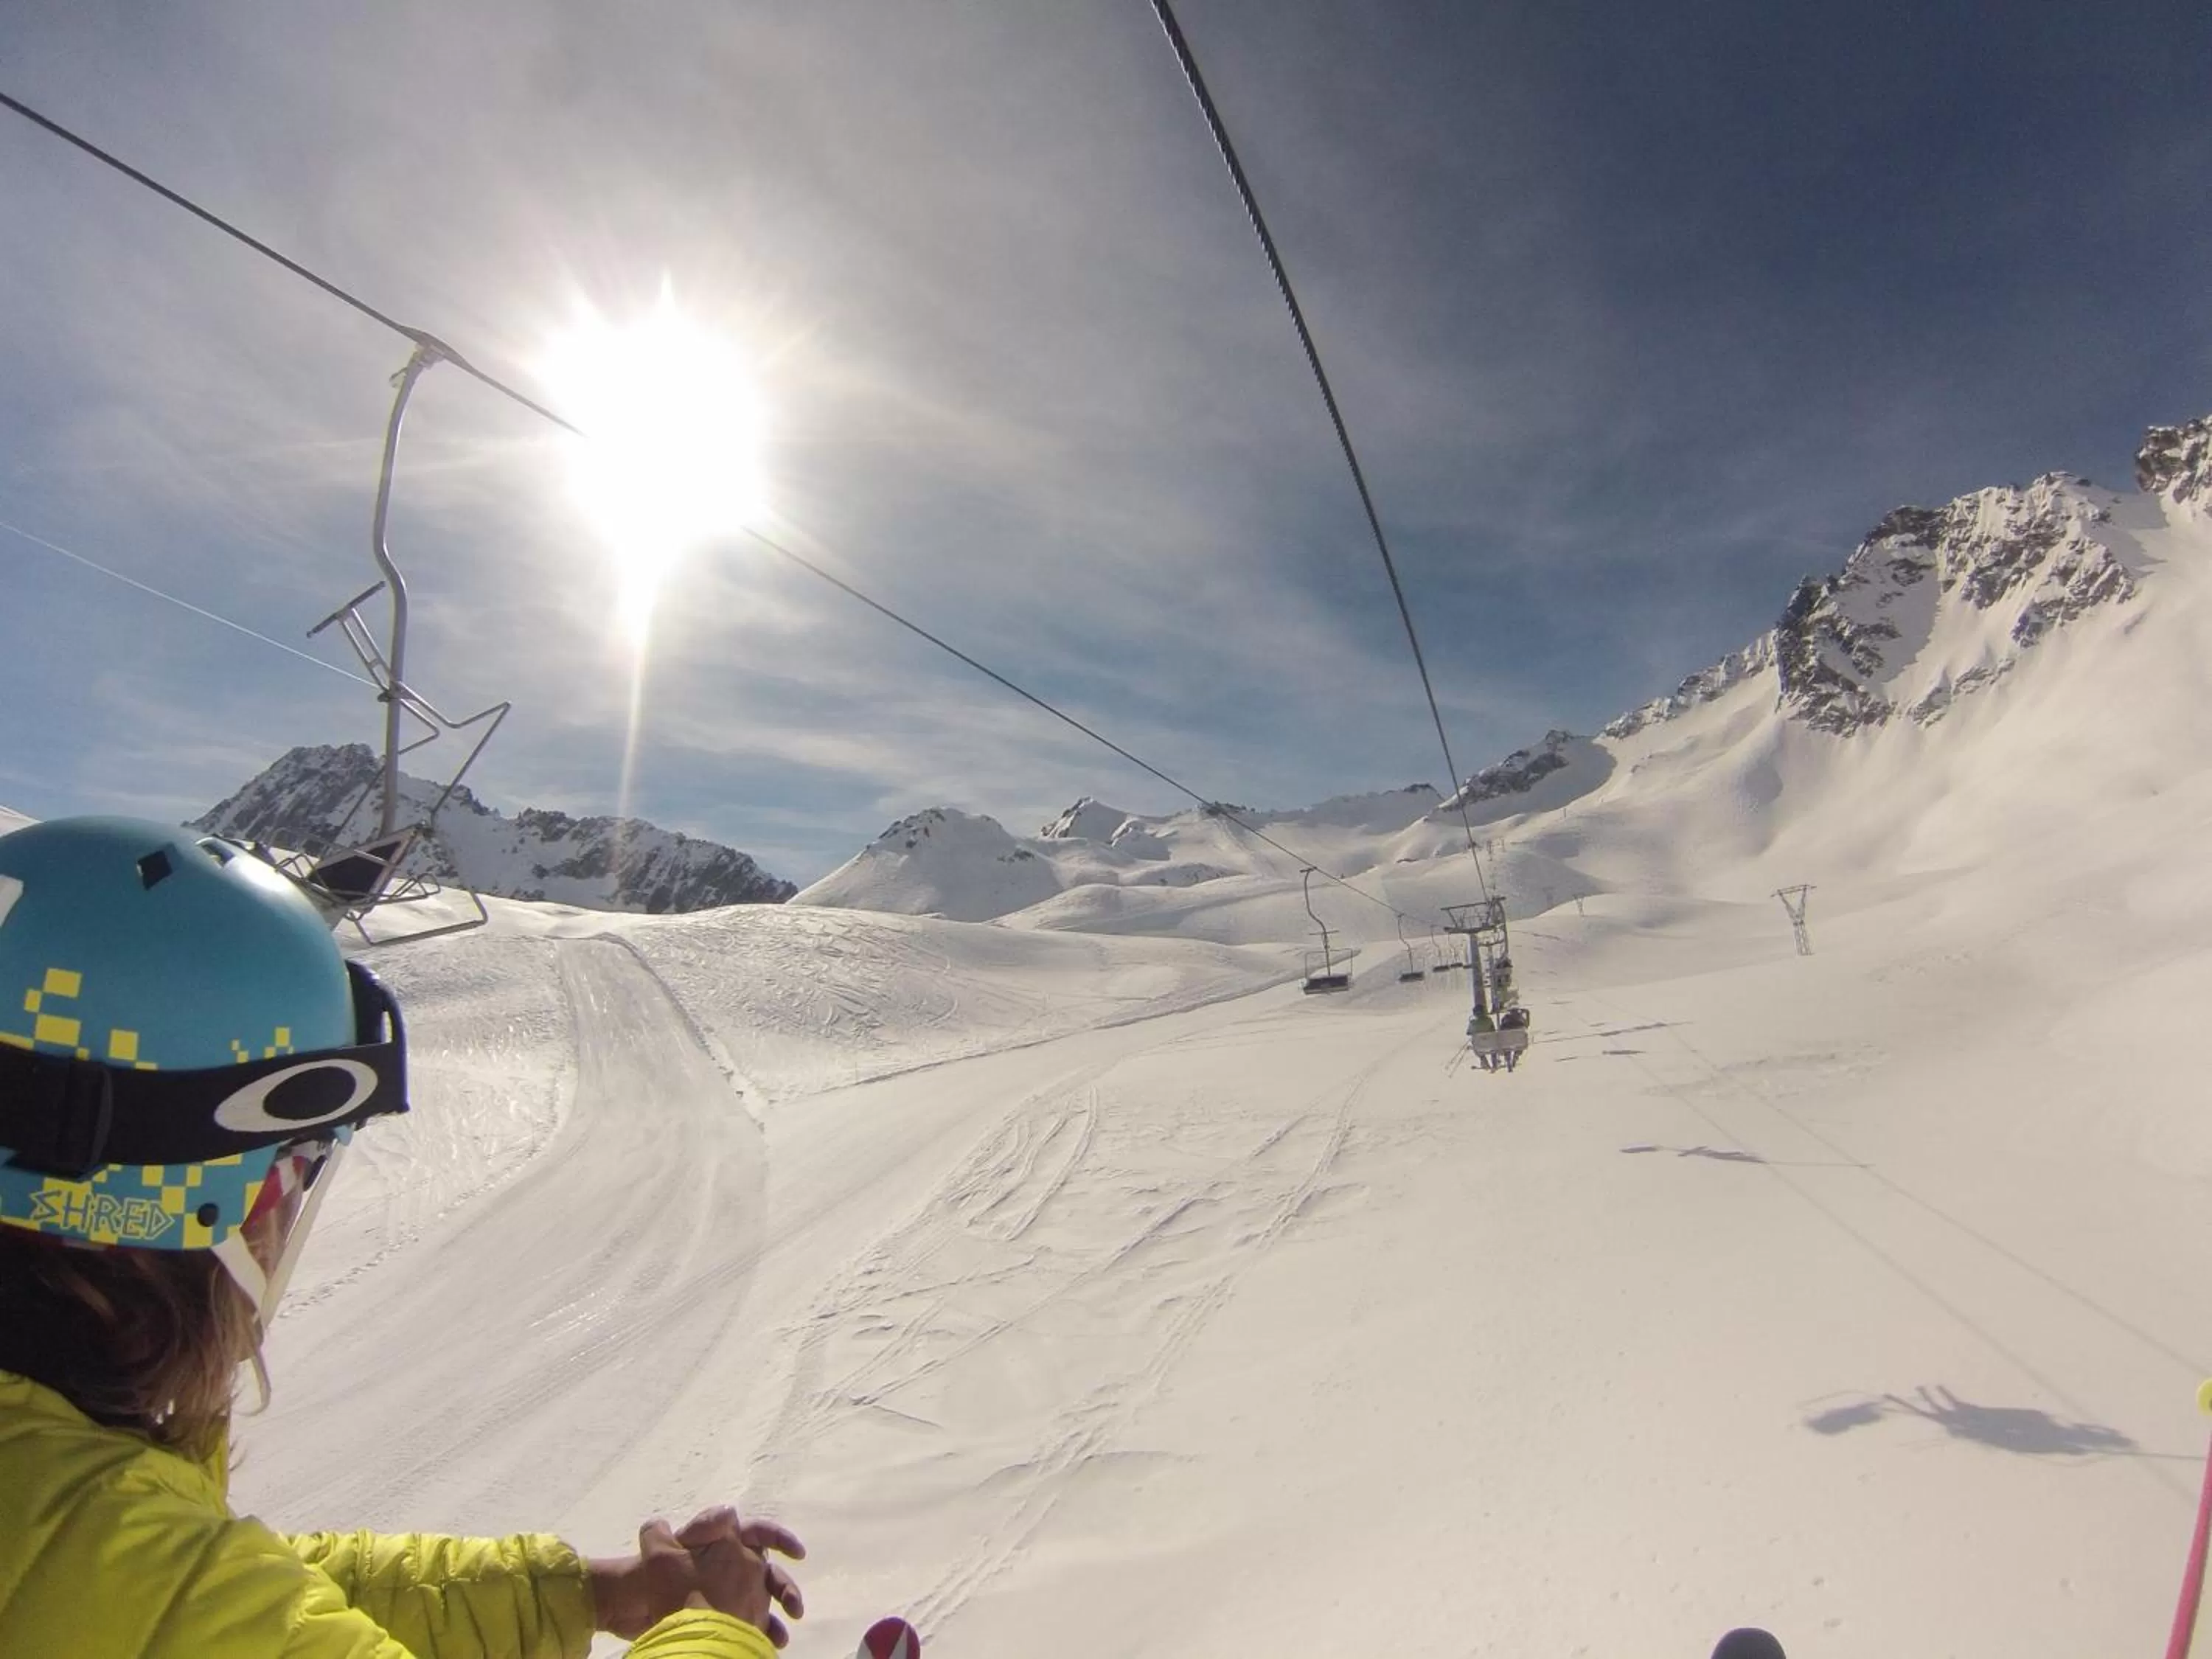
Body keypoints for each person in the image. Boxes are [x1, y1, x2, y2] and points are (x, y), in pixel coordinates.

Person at [0, 817, 804, 1658]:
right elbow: (194, 1603)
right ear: (227, 1196)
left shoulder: (87, 1539)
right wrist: (715, 1627)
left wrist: (586, 1593)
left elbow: (233, 1600)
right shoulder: (127, 1565)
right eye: (299, 1163)